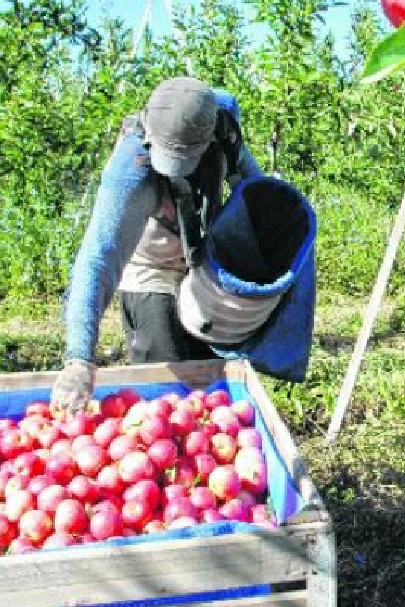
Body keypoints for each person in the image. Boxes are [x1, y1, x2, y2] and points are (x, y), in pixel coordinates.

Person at [51, 77, 318, 414]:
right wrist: (79, 359)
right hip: (151, 268)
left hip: (202, 263)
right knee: (166, 395)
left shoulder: (222, 125)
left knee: (210, 389)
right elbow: (98, 256)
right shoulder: (132, 170)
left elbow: (251, 185)